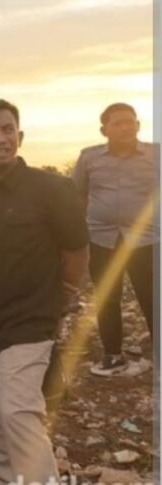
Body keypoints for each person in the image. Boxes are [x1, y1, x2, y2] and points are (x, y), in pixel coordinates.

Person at [0, 99, 89, 484]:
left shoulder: (52, 189)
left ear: (20, 135)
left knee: (17, 410)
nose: (1, 139)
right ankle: (3, 477)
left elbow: (76, 249)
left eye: (7, 129)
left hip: (31, 318)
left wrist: (64, 295)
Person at [71, 103, 159, 376]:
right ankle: (113, 355)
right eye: (118, 123)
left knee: (152, 297)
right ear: (104, 130)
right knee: (107, 296)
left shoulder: (155, 154)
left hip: (146, 239)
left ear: (138, 125)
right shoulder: (89, 157)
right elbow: (78, 195)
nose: (125, 127)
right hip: (102, 238)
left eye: (130, 122)